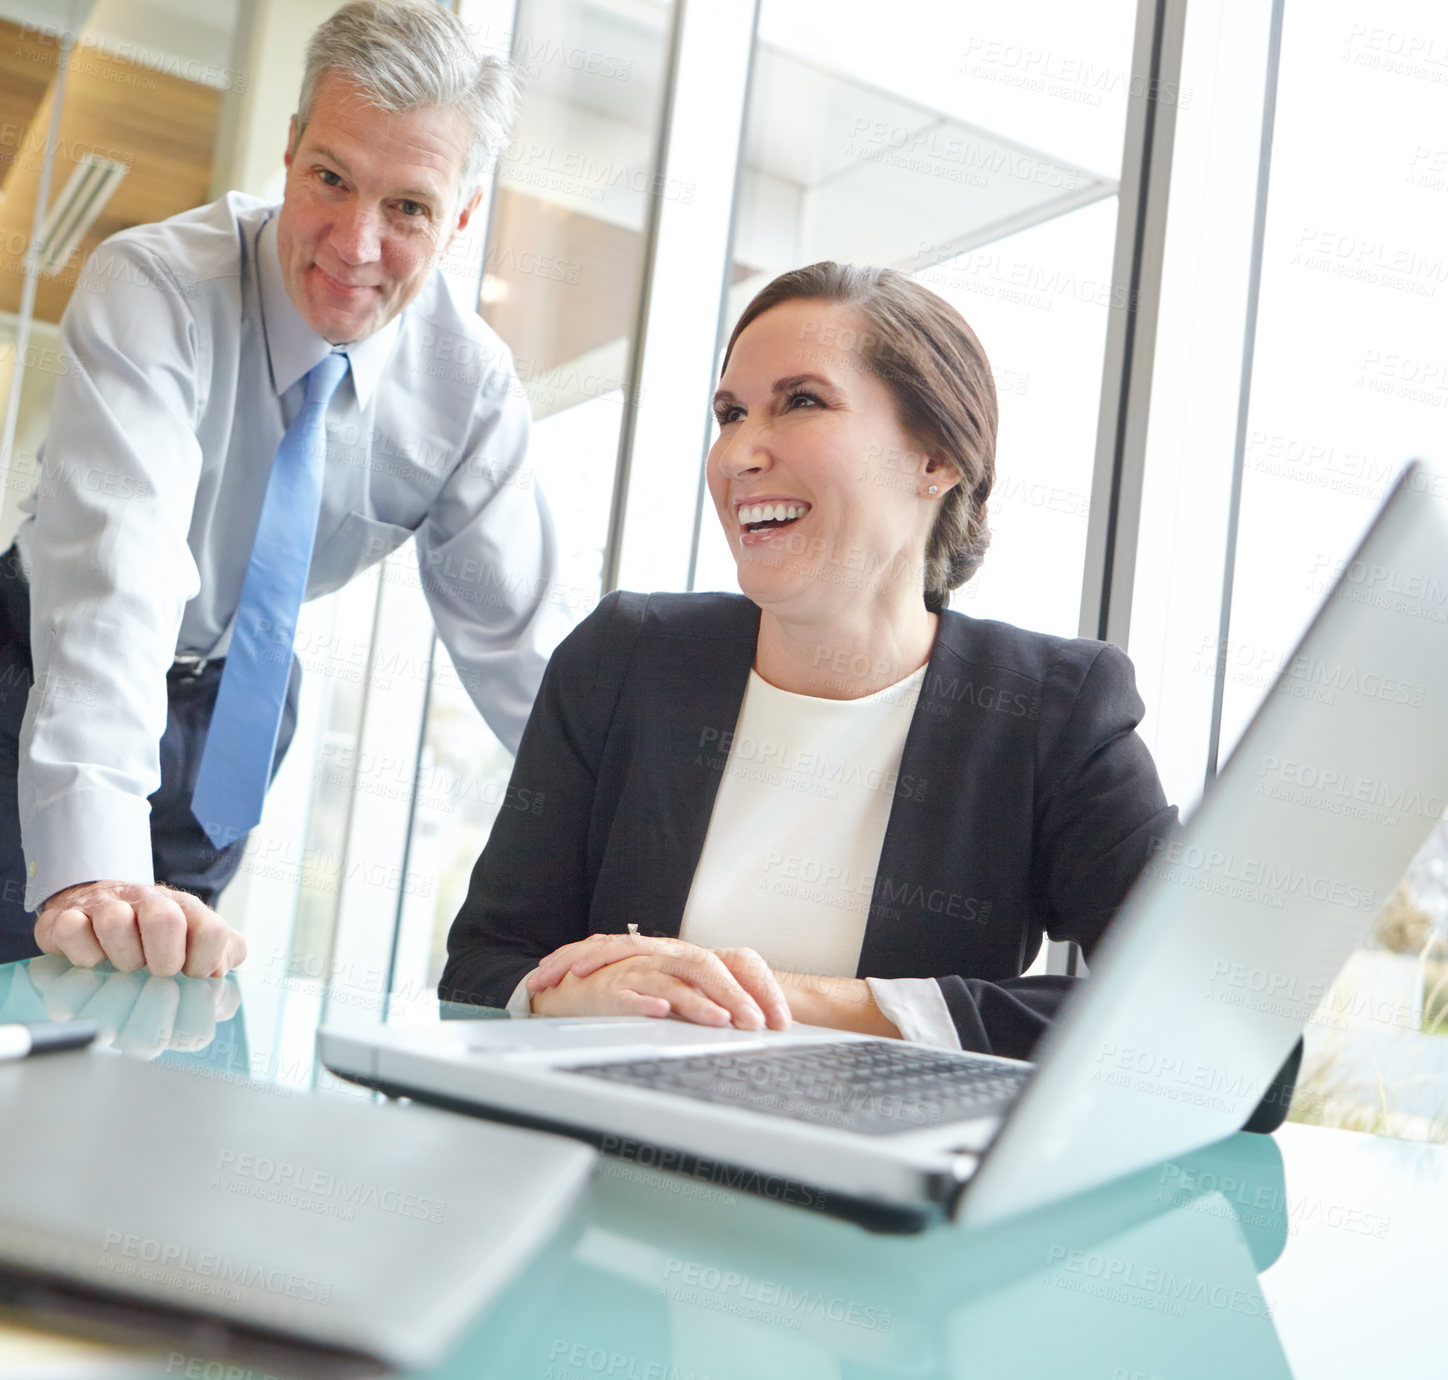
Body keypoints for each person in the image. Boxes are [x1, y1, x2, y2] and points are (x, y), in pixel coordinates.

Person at [440, 262, 1178, 1058]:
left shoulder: (1053, 713)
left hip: (868, 1177)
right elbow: (482, 968)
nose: (738, 455)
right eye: (729, 414)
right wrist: (568, 996)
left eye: (801, 402)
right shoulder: (624, 658)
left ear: (937, 457)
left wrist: (803, 1003)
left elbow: (1218, 1035)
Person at [0, 0, 561, 975]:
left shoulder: (467, 388)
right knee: (45, 973)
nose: (353, 243)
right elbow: (116, 584)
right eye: (331, 179)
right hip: (39, 671)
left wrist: (665, 878)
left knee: (162, 1012)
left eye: (408, 208)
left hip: (239, 709)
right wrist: (93, 869)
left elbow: (532, 662)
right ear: (291, 146)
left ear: (461, 216)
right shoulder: (156, 290)